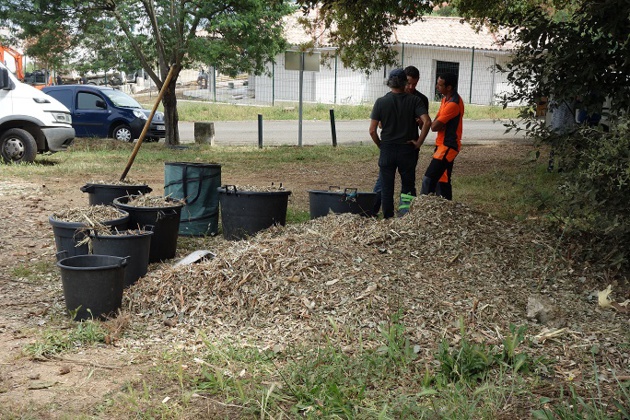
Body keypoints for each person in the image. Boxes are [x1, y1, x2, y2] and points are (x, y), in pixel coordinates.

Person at [369, 68, 431, 219]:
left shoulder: (381, 102)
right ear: (405, 83)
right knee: (408, 185)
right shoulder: (415, 100)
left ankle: (388, 217)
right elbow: (427, 122)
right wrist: (418, 143)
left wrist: (381, 145)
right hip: (407, 149)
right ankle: (405, 216)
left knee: (386, 186)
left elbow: (372, 130)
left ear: (389, 83)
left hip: (388, 149)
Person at [420, 72, 464, 200]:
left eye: (440, 85)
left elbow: (433, 127)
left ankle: (422, 206)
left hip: (448, 146)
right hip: (441, 145)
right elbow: (437, 120)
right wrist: (439, 124)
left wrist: (438, 124)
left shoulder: (453, 104)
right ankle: (446, 207)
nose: (436, 87)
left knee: (429, 178)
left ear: (449, 87)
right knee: (443, 180)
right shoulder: (446, 99)